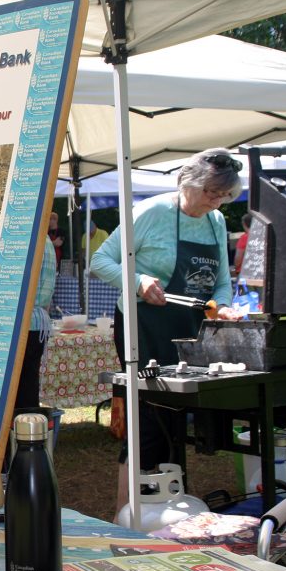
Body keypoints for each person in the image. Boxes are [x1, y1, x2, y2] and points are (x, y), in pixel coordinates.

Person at [92, 148, 244, 515]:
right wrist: (141, 281)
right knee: (148, 419)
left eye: (224, 196)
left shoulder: (216, 221)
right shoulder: (152, 212)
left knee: (177, 420)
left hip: (189, 332)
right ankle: (125, 511)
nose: (217, 202)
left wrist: (222, 305)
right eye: (211, 193)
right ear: (187, 183)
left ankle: (168, 506)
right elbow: (101, 262)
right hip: (143, 328)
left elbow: (221, 281)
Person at [13, 236, 56, 412]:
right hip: (39, 322)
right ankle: (30, 435)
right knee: (28, 386)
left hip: (20, 320)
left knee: (16, 391)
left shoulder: (23, 238)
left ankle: (14, 436)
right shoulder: (46, 241)